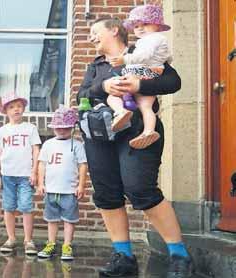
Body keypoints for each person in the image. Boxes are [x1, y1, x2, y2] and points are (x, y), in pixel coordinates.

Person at [78, 17, 194, 277]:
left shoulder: (142, 53)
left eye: (95, 32)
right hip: (100, 134)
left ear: (114, 30)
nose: (91, 37)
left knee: (140, 188)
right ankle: (123, 257)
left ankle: (179, 255)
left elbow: (172, 82)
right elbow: (82, 95)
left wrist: (139, 85)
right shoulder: (95, 66)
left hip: (140, 130)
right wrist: (104, 86)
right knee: (107, 193)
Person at [108, 5, 173, 149]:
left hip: (143, 72)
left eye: (145, 24)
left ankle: (121, 111)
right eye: (137, 26)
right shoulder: (159, 40)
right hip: (153, 74)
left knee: (113, 93)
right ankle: (149, 131)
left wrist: (124, 59)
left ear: (157, 25)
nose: (141, 28)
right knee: (146, 106)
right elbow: (167, 57)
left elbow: (144, 56)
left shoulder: (151, 39)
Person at [37, 106, 88, 261]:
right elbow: (42, 164)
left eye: (65, 128)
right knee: (52, 219)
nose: (61, 130)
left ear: (72, 127)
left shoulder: (77, 145)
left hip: (69, 190)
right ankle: (51, 243)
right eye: (58, 127)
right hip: (51, 189)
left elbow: (83, 165)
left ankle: (67, 244)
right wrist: (41, 183)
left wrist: (81, 185)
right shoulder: (48, 144)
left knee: (69, 219)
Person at [0, 92, 41, 255]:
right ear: (6, 111)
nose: (16, 110)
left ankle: (28, 239)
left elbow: (36, 151)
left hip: (25, 175)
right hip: (7, 175)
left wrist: (34, 172)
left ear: (24, 109)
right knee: (8, 206)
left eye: (19, 106)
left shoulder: (30, 128)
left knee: (26, 206)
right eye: (12, 107)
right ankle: (11, 238)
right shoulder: (2, 131)